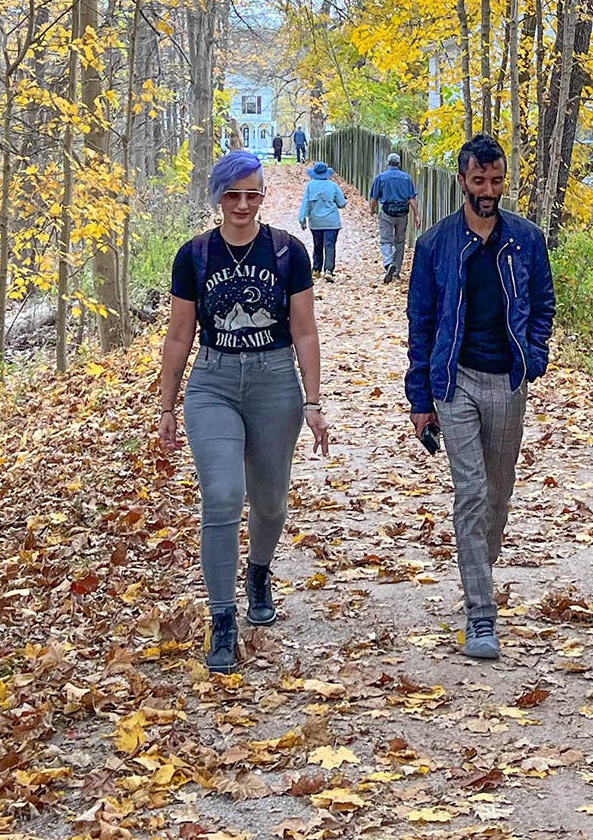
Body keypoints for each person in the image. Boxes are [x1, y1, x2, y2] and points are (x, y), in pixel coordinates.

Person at [155, 150, 331, 673]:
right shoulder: (194, 256)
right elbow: (180, 333)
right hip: (213, 383)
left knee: (271, 502)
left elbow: (304, 329)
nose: (242, 204)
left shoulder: (288, 252)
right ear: (218, 197)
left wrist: (314, 400)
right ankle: (223, 620)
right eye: (232, 194)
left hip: (275, 382)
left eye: (252, 194)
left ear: (263, 196)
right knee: (224, 495)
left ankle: (258, 570)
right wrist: (166, 404)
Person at [406, 134, 555, 659]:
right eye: (478, 181)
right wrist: (420, 397)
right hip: (456, 379)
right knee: (469, 492)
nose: (488, 190)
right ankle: (481, 613)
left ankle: (478, 571)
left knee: (497, 494)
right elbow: (421, 324)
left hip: (508, 380)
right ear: (463, 180)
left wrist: (533, 357)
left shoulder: (528, 239)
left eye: (496, 180)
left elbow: (543, 304)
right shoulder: (435, 244)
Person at [367, 152, 421, 283]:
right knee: (400, 242)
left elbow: (374, 197)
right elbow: (412, 198)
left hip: (387, 212)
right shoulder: (407, 178)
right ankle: (396, 271)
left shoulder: (381, 178)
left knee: (386, 240)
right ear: (399, 163)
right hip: (402, 213)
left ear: (388, 163)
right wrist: (417, 215)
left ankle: (388, 262)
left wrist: (372, 210)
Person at [298, 159, 349, 278]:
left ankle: (316, 269)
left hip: (315, 221)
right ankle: (328, 270)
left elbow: (305, 202)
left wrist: (302, 218)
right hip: (332, 222)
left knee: (317, 244)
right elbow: (341, 203)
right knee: (330, 245)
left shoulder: (310, 186)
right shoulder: (333, 186)